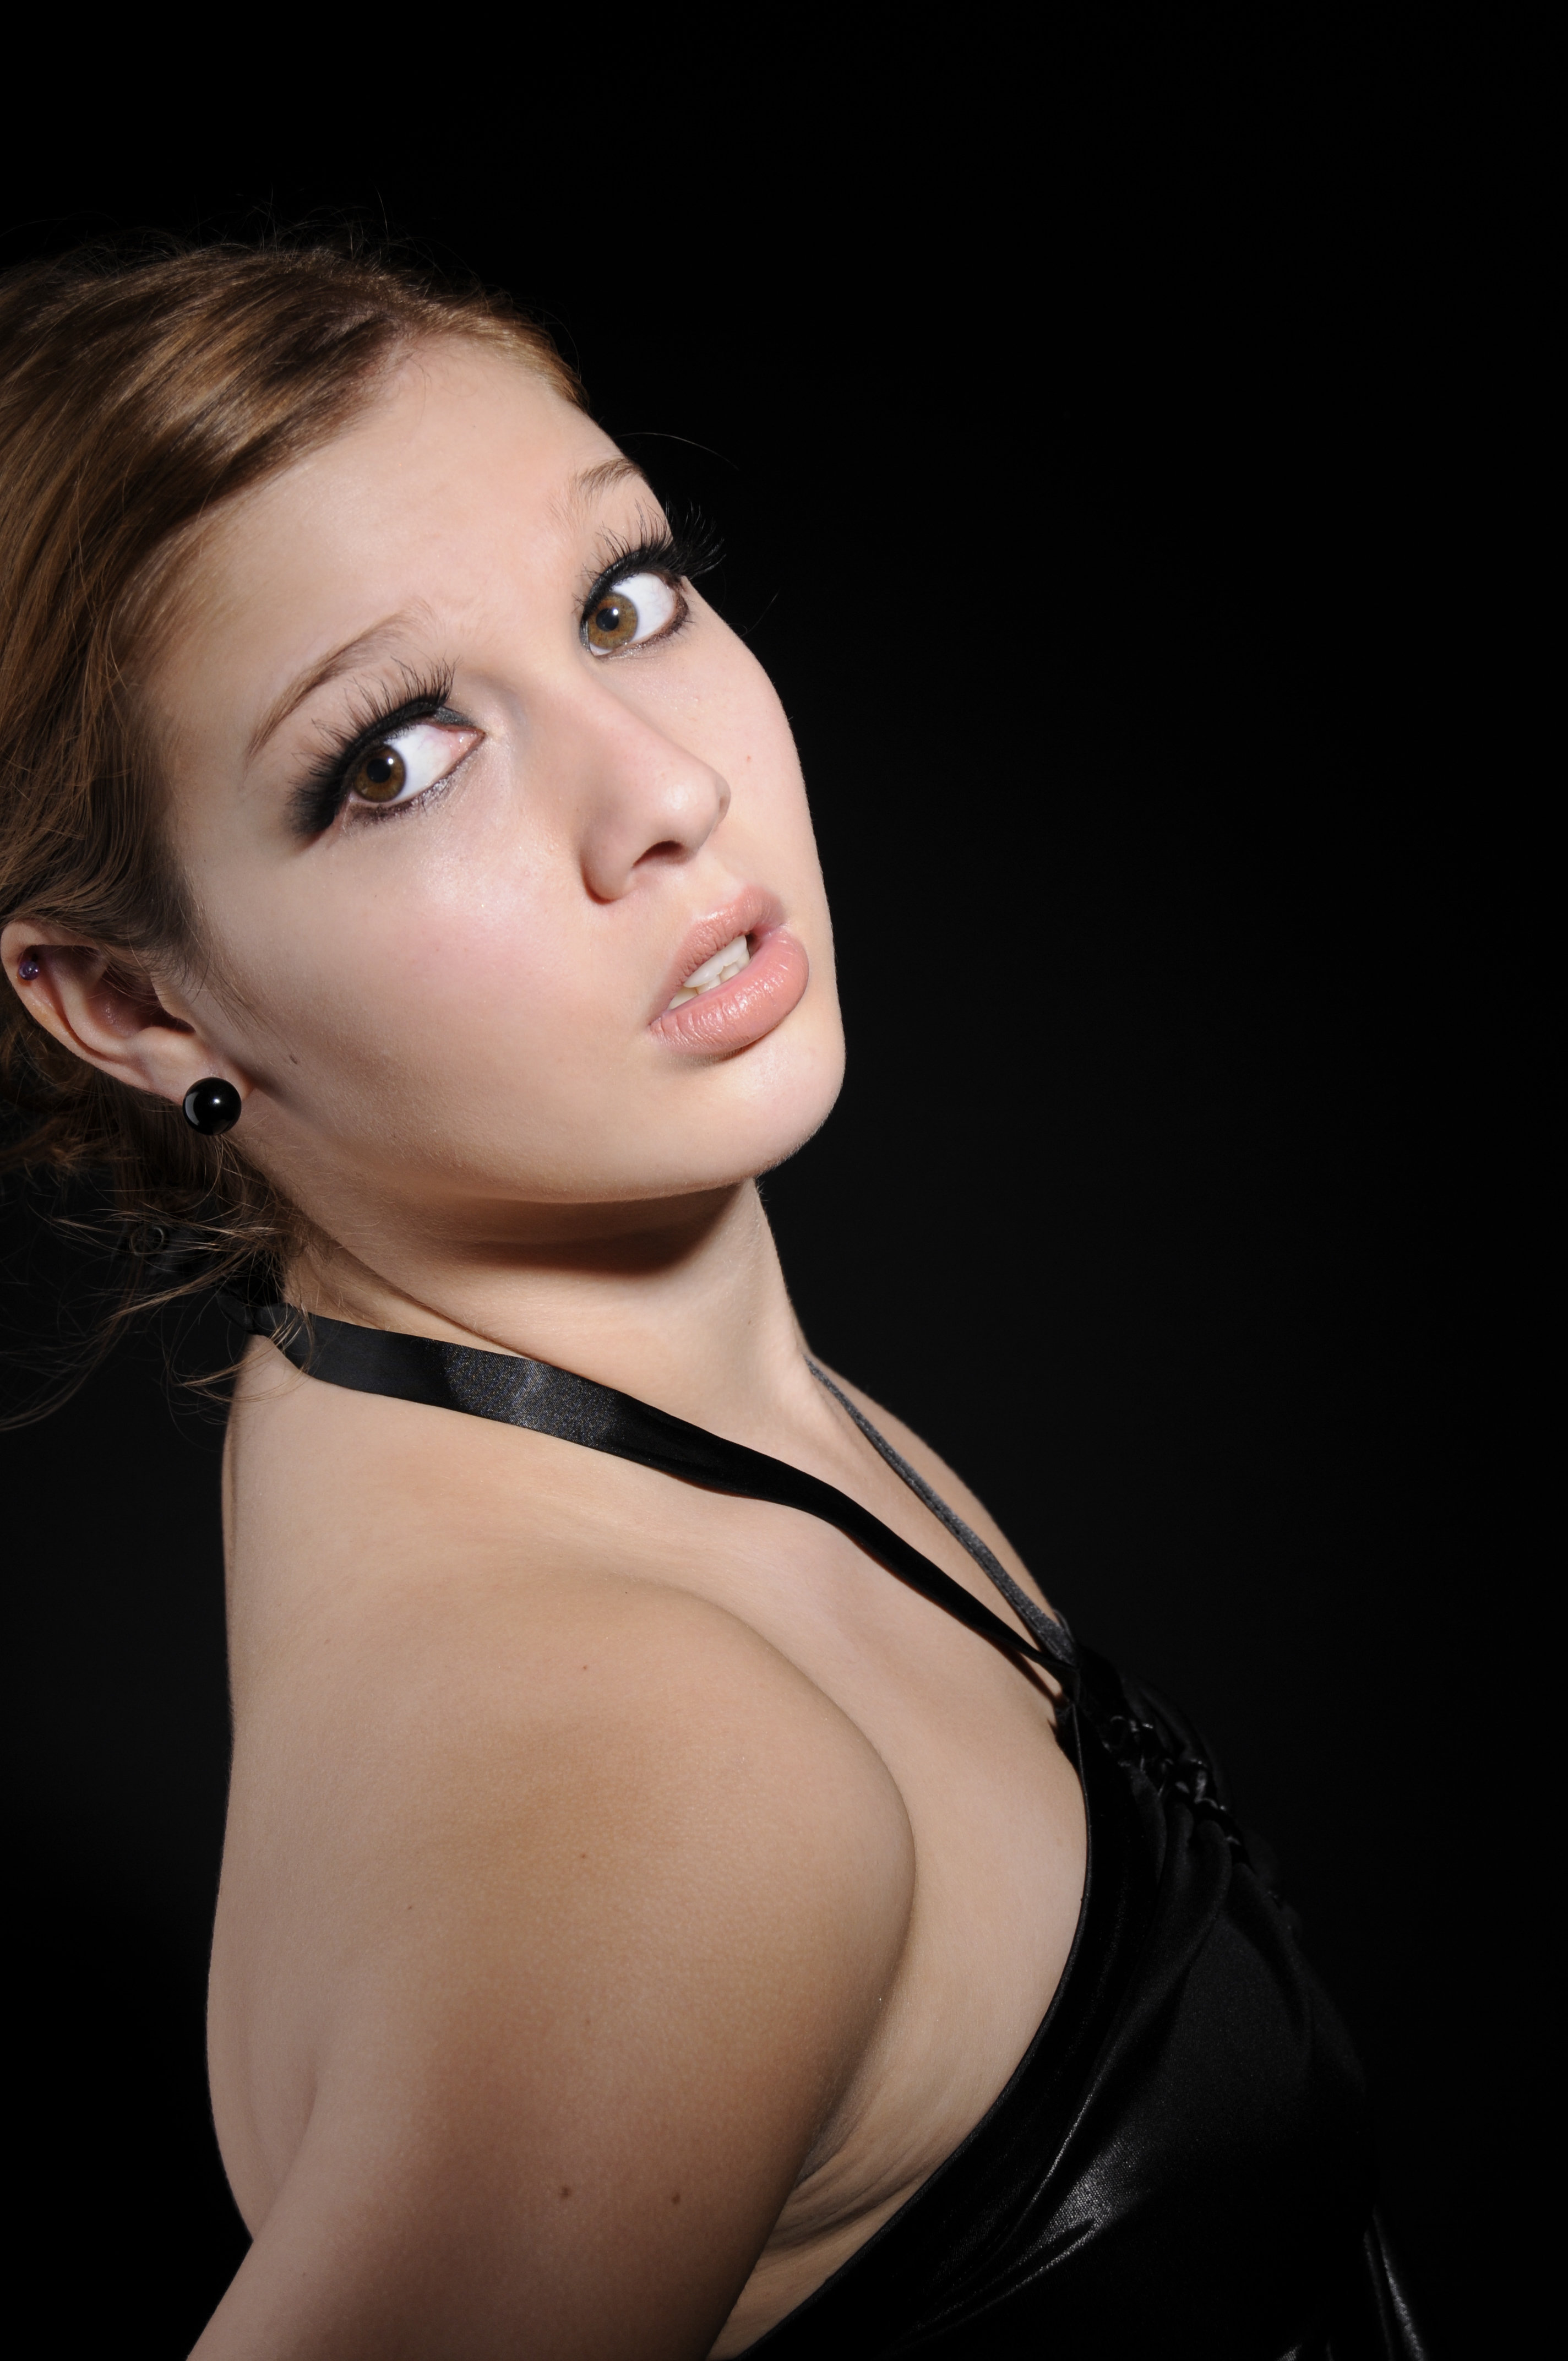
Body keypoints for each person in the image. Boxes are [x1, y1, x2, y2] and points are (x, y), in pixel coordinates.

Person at [0, 238, 1425, 2359]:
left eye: (625, 598)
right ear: (135, 1004)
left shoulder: (484, 1395)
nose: (667, 793)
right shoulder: (659, 1781)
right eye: (397, 759)